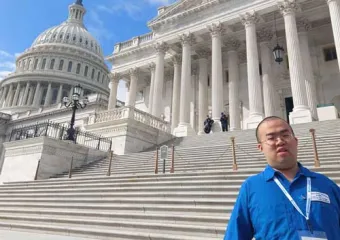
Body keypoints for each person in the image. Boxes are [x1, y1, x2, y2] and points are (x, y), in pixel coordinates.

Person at [224, 116, 340, 240]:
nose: (280, 141)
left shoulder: (326, 184)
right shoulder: (251, 188)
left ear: (295, 141)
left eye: (285, 135)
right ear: (260, 147)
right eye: (271, 138)